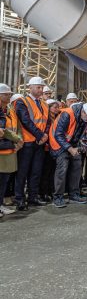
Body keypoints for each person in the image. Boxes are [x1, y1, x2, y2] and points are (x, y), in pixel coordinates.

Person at [49, 102, 87, 208]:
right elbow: (58, 134)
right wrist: (70, 149)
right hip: (58, 143)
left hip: (72, 143)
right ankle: (58, 197)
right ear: (83, 112)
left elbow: (82, 136)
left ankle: (74, 194)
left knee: (77, 167)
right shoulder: (67, 114)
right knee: (62, 168)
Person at [15, 76, 50, 210]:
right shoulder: (21, 102)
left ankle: (33, 197)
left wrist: (44, 135)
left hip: (39, 143)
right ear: (30, 87)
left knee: (36, 171)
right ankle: (19, 199)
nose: (41, 90)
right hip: (27, 142)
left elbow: (46, 122)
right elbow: (26, 121)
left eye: (42, 87)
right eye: (38, 87)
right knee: (22, 172)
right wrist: (41, 135)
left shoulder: (44, 104)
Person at [0, 84, 23, 218]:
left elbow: (17, 126)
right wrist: (17, 139)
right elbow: (3, 132)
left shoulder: (9, 109)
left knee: (4, 181)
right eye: (6, 94)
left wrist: (18, 140)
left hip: (9, 149)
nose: (9, 96)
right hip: (3, 149)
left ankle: (1, 204)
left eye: (9, 94)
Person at [39, 99, 60, 202]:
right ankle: (43, 192)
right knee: (46, 171)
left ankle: (50, 191)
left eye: (57, 107)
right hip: (47, 147)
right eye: (54, 107)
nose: (57, 109)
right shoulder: (46, 118)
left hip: (54, 147)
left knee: (52, 170)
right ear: (49, 107)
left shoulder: (57, 117)